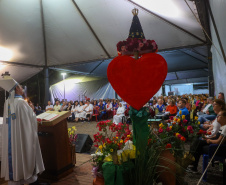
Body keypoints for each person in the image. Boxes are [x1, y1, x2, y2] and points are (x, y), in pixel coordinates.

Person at [0, 74, 44, 185]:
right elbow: (31, 121)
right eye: (20, 86)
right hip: (22, 138)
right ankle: (29, 179)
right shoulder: (22, 103)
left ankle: (15, 179)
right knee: (25, 156)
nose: (22, 88)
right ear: (16, 89)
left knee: (14, 160)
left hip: (12, 141)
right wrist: (33, 111)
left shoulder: (7, 103)